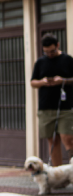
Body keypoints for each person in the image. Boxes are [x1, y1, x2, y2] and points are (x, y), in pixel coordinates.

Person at [30, 34, 73, 166]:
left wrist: (63, 80)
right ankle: (58, 174)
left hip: (65, 106)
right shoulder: (40, 62)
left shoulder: (68, 59)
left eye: (52, 51)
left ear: (58, 45)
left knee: (68, 138)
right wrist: (42, 82)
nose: (49, 54)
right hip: (46, 107)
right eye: (46, 52)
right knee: (53, 141)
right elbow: (32, 82)